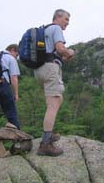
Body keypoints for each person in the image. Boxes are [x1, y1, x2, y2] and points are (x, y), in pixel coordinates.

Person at [34, 9, 75, 156]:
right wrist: (69, 52)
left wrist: (64, 56)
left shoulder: (44, 31)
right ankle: (45, 143)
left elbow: (55, 54)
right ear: (57, 17)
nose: (67, 23)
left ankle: (48, 134)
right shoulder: (56, 28)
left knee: (54, 100)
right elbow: (60, 48)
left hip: (39, 69)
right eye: (66, 19)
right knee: (54, 103)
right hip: (50, 69)